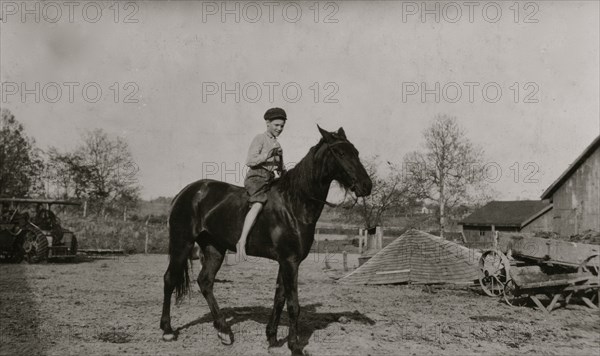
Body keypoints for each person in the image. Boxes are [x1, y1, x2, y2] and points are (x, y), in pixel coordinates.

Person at [237, 108, 286, 260]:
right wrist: (267, 155)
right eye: (276, 125)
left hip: (271, 179)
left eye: (282, 126)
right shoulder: (260, 138)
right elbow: (250, 160)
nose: (279, 128)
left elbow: (281, 168)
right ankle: (242, 241)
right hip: (257, 177)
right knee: (258, 204)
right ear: (267, 123)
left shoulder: (278, 145)